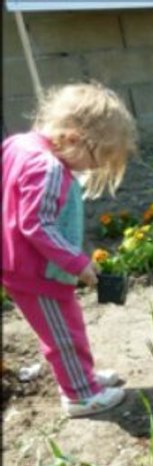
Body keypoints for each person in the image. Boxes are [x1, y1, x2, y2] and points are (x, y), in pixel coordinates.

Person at [2, 82, 137, 418]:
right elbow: (38, 224)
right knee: (63, 333)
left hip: (24, 264)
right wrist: (77, 262)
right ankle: (79, 395)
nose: (92, 168)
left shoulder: (19, 145)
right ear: (75, 138)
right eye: (96, 158)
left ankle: (83, 377)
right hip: (35, 271)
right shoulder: (48, 168)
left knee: (66, 325)